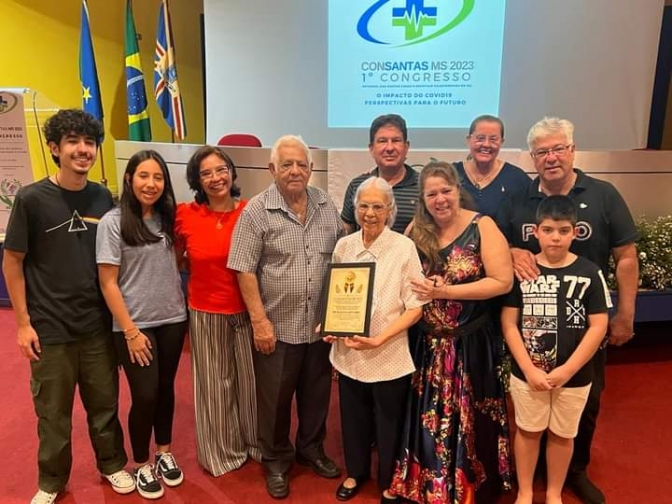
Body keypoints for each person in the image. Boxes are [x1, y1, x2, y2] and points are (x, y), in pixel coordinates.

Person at [495, 117, 639, 504]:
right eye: (542, 152)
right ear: (532, 157)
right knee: (529, 411)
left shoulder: (604, 194)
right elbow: (495, 247)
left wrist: (624, 315)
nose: (551, 157)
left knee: (584, 404)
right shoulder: (518, 200)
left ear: (573, 150)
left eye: (559, 148)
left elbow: (626, 257)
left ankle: (574, 472)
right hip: (533, 328)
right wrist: (511, 250)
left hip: (584, 328)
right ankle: (533, 475)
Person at [2, 109, 135, 504]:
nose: (82, 150)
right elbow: (12, 261)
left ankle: (112, 465)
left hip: (96, 325)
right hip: (49, 329)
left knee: (104, 406)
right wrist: (23, 324)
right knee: (53, 415)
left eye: (89, 142)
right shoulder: (30, 199)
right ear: (54, 148)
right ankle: (52, 480)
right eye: (73, 142)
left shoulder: (103, 198)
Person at [228, 135, 344, 499]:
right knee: (274, 401)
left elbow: (341, 261)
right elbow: (244, 269)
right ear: (272, 169)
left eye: (302, 164)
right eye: (287, 164)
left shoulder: (326, 204)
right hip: (276, 328)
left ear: (311, 169)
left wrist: (340, 318)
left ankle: (310, 449)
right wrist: (259, 322)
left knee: (316, 396)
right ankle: (276, 460)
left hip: (319, 326)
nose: (295, 171)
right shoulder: (256, 211)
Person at [390, 161, 514, 503]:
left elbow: (502, 281)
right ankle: (429, 485)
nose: (440, 199)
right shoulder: (416, 229)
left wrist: (446, 292)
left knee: (471, 420)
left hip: (471, 344)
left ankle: (470, 486)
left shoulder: (482, 225)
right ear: (423, 198)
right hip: (427, 344)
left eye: (446, 191)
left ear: (458, 191)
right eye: (432, 193)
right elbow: (398, 276)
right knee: (427, 419)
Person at [501, 195, 611, 504]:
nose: (556, 237)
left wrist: (567, 369)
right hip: (529, 373)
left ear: (575, 233)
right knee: (528, 430)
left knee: (563, 434)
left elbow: (598, 326)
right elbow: (509, 323)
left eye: (563, 230)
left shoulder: (590, 273)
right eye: (548, 230)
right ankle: (524, 491)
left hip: (573, 376)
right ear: (535, 231)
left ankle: (552, 493)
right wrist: (528, 368)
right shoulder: (523, 271)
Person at [324, 178, 425, 503]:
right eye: (364, 206)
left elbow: (416, 308)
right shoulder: (345, 245)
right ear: (355, 209)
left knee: (388, 423)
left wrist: (379, 338)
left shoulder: (402, 247)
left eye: (377, 206)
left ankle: (388, 481)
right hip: (350, 352)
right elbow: (337, 297)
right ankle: (355, 473)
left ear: (389, 210)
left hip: (389, 354)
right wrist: (330, 326)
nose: (370, 213)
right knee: (352, 419)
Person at [97, 150, 188, 500]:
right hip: (134, 325)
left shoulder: (167, 218)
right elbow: (108, 283)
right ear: (129, 179)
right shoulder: (113, 222)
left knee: (166, 389)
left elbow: (174, 261)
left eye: (158, 177)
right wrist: (131, 331)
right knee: (145, 394)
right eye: (143, 176)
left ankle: (163, 451)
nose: (151, 184)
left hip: (172, 318)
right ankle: (141, 462)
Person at [175, 145, 261, 476]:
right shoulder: (185, 215)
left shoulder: (251, 211)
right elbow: (176, 257)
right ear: (197, 181)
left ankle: (255, 444)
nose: (215, 178)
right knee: (215, 385)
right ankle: (222, 453)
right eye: (206, 173)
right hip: (205, 310)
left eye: (221, 169)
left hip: (248, 311)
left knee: (251, 385)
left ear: (232, 172)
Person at [341, 114, 419, 234]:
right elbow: (346, 231)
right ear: (371, 148)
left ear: (406, 147)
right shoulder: (357, 185)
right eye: (382, 141)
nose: (389, 148)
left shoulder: (423, 187)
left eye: (396, 140)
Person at [453, 114, 530, 217]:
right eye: (480, 138)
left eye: (493, 139)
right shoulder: (452, 174)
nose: (486, 145)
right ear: (469, 140)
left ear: (501, 142)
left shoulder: (517, 178)